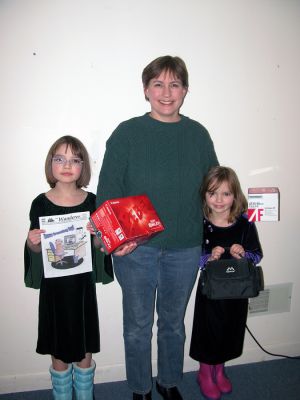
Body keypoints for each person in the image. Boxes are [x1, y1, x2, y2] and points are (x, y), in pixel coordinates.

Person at [96, 56, 219, 400]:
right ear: (146, 90)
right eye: (158, 84)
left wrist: (228, 226)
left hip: (185, 246)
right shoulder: (127, 133)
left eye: (175, 84)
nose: (167, 92)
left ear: (185, 90)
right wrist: (114, 240)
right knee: (137, 327)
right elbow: (107, 192)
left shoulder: (197, 134)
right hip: (136, 250)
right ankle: (140, 387)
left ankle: (169, 382)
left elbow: (213, 188)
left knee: (172, 324)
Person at [24, 135, 113, 400]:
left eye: (75, 160)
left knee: (85, 340)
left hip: (82, 288)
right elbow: (36, 250)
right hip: (53, 290)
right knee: (57, 342)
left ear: (83, 166)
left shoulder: (92, 200)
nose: (67, 165)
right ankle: (61, 394)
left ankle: (85, 394)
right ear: (50, 164)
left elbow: (101, 246)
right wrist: (33, 242)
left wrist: (98, 234)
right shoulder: (40, 203)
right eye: (60, 159)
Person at [189, 166, 263, 400]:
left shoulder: (245, 223)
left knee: (230, 329)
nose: (219, 200)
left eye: (226, 194)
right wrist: (209, 257)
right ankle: (205, 372)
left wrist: (244, 254)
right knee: (208, 330)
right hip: (211, 292)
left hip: (237, 291)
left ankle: (219, 370)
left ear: (235, 196)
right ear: (204, 196)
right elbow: (194, 259)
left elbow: (257, 254)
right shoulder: (200, 223)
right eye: (213, 193)